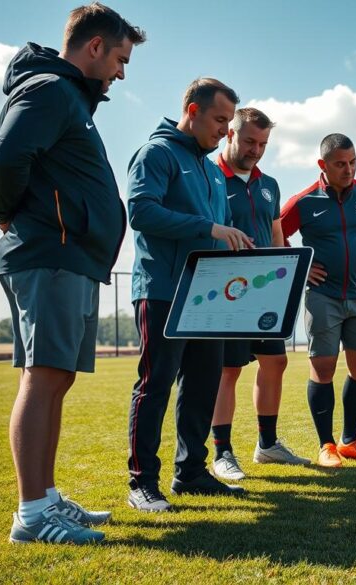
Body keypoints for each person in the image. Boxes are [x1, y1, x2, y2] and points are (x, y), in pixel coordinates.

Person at [0, 2, 144, 545]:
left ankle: (46, 497)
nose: (122, 73)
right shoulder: (49, 91)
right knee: (44, 375)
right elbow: (6, 159)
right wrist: (5, 213)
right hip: (47, 253)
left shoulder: (72, 99)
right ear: (95, 46)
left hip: (71, 257)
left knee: (58, 375)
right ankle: (31, 515)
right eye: (121, 59)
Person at [126, 78, 254, 512]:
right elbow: (141, 212)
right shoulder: (156, 154)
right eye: (220, 120)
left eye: (228, 122)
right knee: (156, 383)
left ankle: (192, 473)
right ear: (192, 110)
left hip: (210, 297)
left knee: (202, 384)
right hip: (163, 289)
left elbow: (218, 234)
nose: (226, 130)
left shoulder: (212, 173)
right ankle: (142, 482)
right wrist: (209, 228)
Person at [280, 133, 356, 468]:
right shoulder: (303, 201)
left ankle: (350, 441)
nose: (348, 169)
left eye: (352, 162)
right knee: (324, 368)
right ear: (323, 165)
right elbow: (276, 230)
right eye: (340, 164)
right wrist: (301, 267)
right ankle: (326, 445)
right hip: (323, 297)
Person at [209, 108, 310, 482]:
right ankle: (222, 452)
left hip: (264, 293)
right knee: (229, 369)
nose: (256, 150)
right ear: (230, 134)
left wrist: (282, 284)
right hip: (226, 293)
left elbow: (275, 234)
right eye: (250, 141)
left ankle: (267, 444)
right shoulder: (210, 177)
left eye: (263, 144)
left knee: (275, 363)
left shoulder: (270, 184)